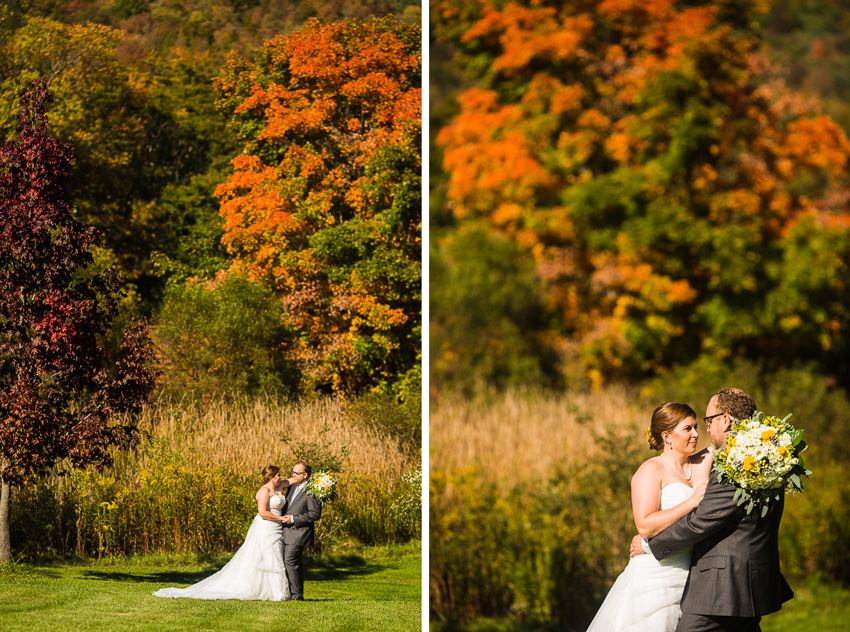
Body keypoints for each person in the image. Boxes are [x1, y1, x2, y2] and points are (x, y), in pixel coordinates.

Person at [635, 387, 794, 632]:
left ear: (725, 420)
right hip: (751, 580)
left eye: (708, 421)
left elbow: (700, 521)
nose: (705, 430)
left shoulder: (738, 462)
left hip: (721, 588)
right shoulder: (770, 455)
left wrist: (649, 546)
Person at [585, 402, 713, 631]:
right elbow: (644, 525)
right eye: (687, 429)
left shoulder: (701, 463)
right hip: (656, 577)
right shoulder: (651, 470)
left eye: (696, 427)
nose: (695, 434)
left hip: (690, 578)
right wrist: (691, 502)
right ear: (667, 436)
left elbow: (725, 444)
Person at [152, 465, 296, 601]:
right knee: (269, 554)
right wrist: (281, 518)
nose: (280, 476)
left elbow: (293, 480)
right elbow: (262, 512)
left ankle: (273, 591)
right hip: (267, 526)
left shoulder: (279, 486)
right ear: (271, 477)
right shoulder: (265, 491)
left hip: (276, 527)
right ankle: (273, 592)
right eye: (278, 475)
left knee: (274, 555)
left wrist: (313, 481)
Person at [281, 461, 322, 601]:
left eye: (296, 473)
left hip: (299, 532)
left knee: (290, 561)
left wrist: (293, 519)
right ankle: (289, 593)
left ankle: (297, 596)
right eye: (292, 472)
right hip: (285, 531)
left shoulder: (313, 490)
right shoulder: (292, 487)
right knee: (286, 561)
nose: (293, 475)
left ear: (305, 475)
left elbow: (314, 514)